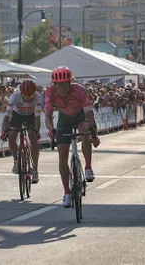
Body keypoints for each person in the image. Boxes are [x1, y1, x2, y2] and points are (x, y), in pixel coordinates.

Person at [44, 66, 99, 208]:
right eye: (58, 85)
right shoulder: (50, 93)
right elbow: (48, 116)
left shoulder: (79, 90)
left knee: (84, 129)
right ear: (54, 84)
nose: (61, 88)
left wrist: (93, 131)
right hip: (64, 118)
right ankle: (67, 192)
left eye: (64, 84)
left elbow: (89, 113)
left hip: (80, 115)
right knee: (62, 155)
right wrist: (51, 129)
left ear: (70, 82)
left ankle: (87, 167)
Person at [0, 80, 42, 183]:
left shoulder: (38, 97)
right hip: (17, 115)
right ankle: (16, 160)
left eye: (30, 97)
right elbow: (6, 117)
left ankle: (35, 170)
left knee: (33, 140)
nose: (28, 99)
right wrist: (4, 131)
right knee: (11, 136)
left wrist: (36, 130)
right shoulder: (15, 95)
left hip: (31, 116)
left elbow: (37, 118)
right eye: (25, 96)